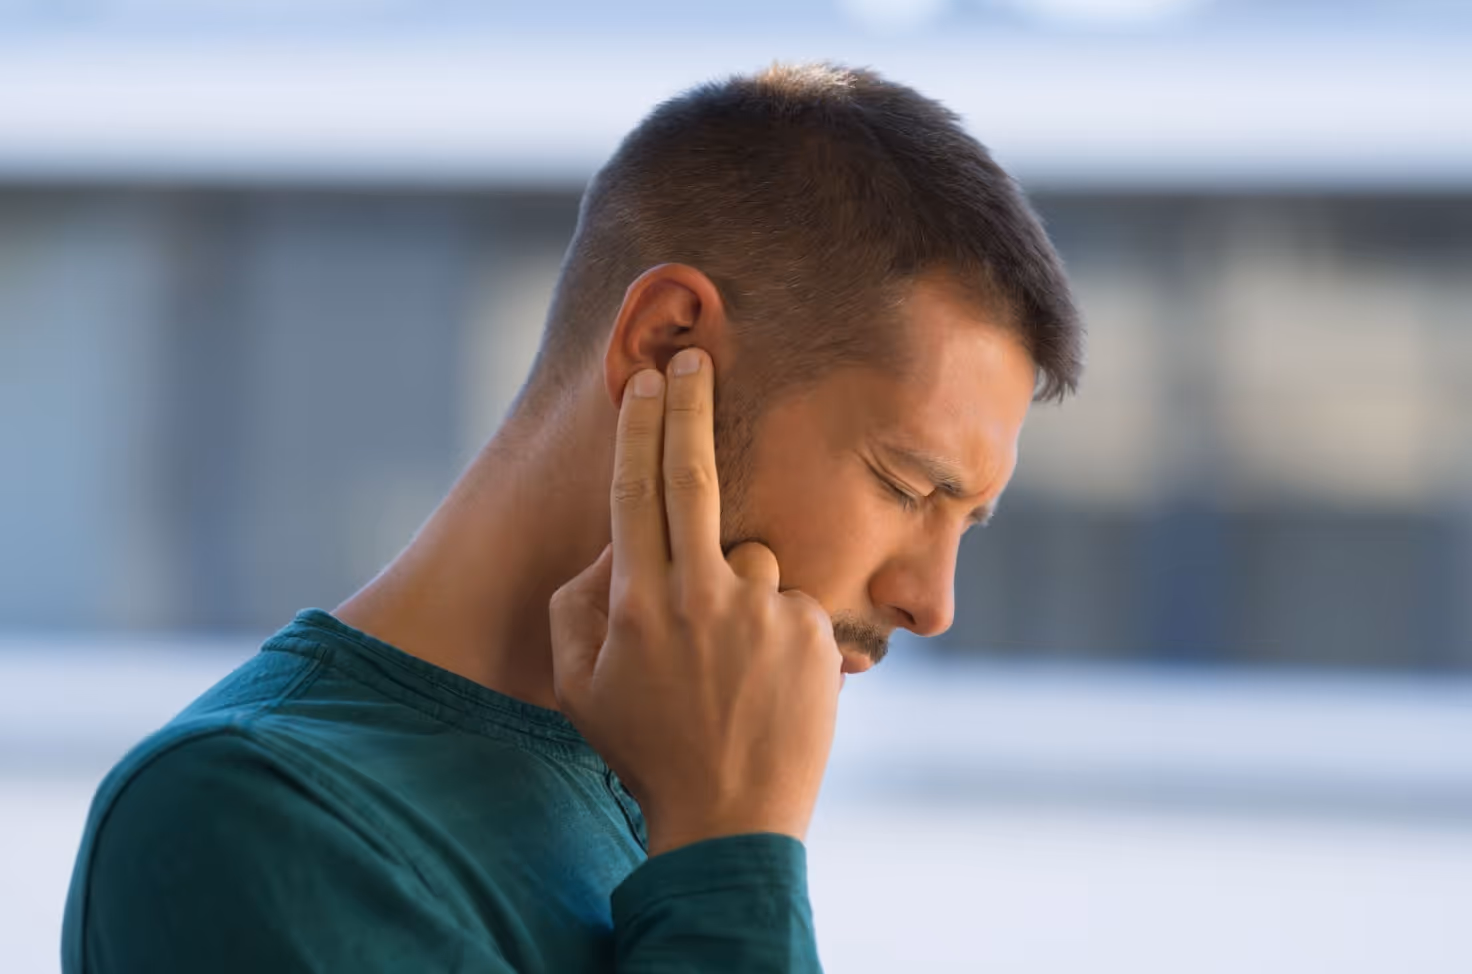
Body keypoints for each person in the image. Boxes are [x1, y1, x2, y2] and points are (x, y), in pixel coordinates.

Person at [62, 60, 1083, 972]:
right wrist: (730, 858)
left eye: (967, 520)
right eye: (906, 485)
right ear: (664, 342)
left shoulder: (673, 767)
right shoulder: (248, 816)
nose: (931, 603)